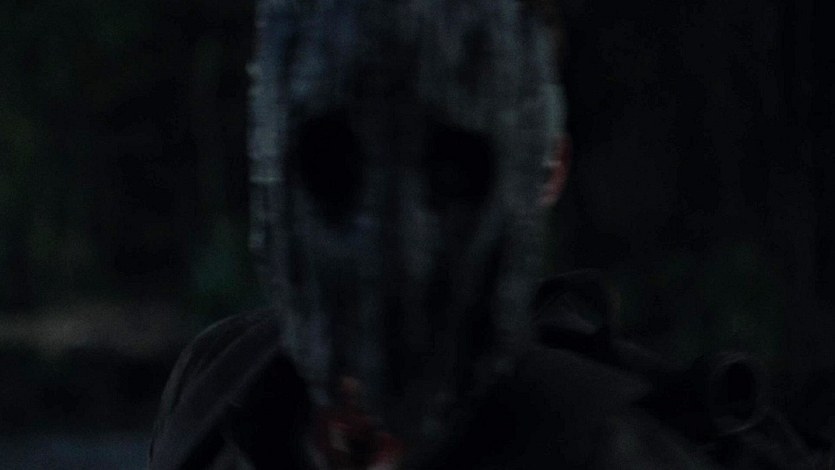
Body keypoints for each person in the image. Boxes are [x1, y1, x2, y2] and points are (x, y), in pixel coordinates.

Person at [148, 1, 818, 468]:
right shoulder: (217, 383)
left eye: (447, 174)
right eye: (337, 161)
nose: (394, 244)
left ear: (543, 167)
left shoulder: (615, 444)